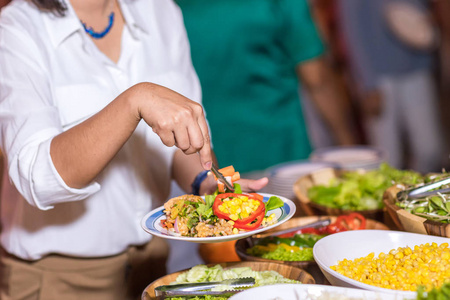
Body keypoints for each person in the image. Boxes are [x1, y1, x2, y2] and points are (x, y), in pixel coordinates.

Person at [0, 0, 267, 299]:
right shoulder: (15, 27)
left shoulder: (161, 10)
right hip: (58, 279)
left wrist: (210, 187)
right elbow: (39, 179)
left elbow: (181, 137)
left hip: (152, 262)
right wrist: (133, 101)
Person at [175, 0, 356, 175]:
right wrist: (347, 142)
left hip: (203, 162)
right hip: (280, 154)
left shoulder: (169, 4)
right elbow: (316, 77)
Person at [338, 0, 444, 173]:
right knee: (388, 157)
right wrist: (367, 84)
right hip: (379, 77)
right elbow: (353, 33)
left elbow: (423, 16)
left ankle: (413, 194)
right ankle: (392, 196)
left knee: (430, 149)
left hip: (416, 69)